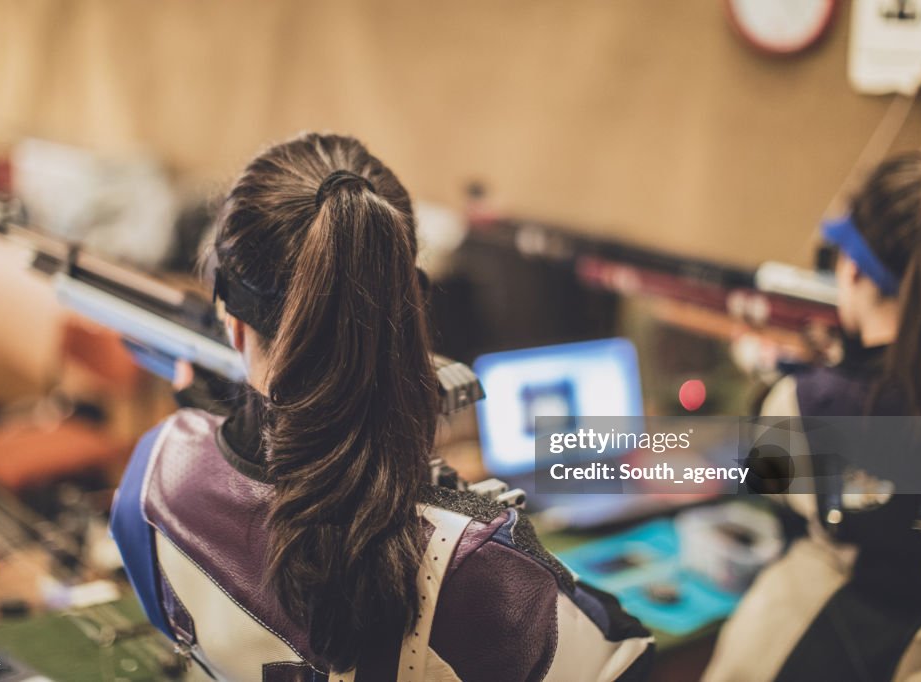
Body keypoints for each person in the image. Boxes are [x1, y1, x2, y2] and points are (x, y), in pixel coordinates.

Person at [110, 133, 654, 681]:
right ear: (408, 302)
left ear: (231, 324)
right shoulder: (474, 564)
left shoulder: (152, 475)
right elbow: (625, 656)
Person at [705, 153, 921, 682]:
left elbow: (764, 480)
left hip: (812, 651)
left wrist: (781, 382)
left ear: (853, 268)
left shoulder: (806, 402)